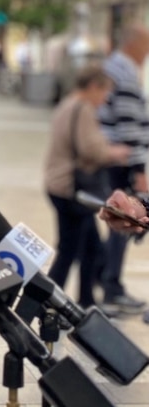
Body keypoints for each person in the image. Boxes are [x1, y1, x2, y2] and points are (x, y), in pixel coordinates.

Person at [43, 65, 130, 308]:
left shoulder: (67, 104)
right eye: (104, 94)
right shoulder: (82, 109)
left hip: (60, 186)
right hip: (72, 190)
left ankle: (86, 302)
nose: (104, 101)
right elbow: (91, 149)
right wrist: (116, 152)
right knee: (69, 251)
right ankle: (47, 304)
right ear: (93, 87)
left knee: (90, 249)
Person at [97, 24, 149, 316]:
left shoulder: (111, 68)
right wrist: (139, 170)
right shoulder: (125, 74)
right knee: (125, 219)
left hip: (111, 160)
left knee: (121, 219)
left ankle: (105, 279)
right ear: (134, 45)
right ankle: (112, 285)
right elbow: (130, 128)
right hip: (121, 164)